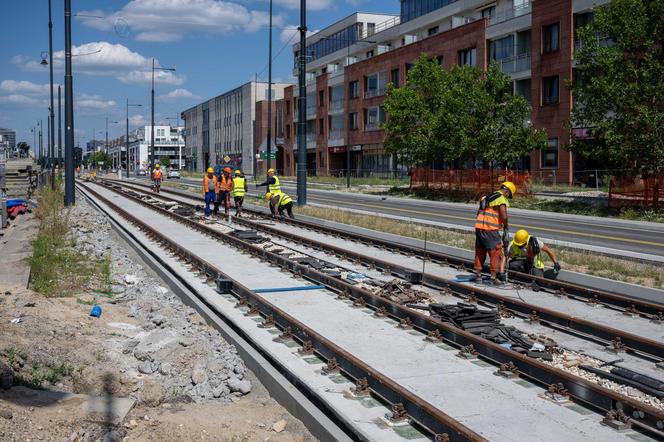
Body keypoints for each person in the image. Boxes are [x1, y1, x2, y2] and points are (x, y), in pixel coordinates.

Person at [473, 181, 516, 285]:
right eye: (509, 195)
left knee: (480, 251)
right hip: (490, 229)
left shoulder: (485, 197)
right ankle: (493, 279)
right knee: (495, 252)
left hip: (479, 228)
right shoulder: (501, 199)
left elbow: (479, 212)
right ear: (507, 191)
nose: (508, 197)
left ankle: (478, 276)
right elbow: (504, 215)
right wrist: (505, 225)